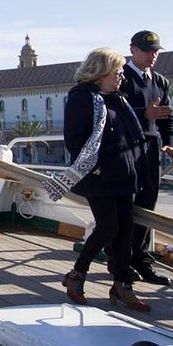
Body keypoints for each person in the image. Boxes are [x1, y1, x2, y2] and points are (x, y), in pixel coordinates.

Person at [44, 47, 150, 311]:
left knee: (125, 232)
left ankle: (122, 287)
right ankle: (76, 275)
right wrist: (98, 167)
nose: (121, 78)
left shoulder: (118, 100)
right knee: (107, 228)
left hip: (124, 176)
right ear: (100, 73)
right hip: (99, 177)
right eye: (117, 73)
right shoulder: (82, 99)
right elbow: (75, 140)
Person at [118, 30, 173, 286]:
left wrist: (170, 144)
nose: (152, 56)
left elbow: (166, 115)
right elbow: (116, 113)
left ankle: (140, 258)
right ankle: (120, 259)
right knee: (126, 205)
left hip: (151, 148)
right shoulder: (122, 78)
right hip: (127, 147)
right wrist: (145, 114)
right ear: (133, 50)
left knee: (147, 203)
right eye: (147, 50)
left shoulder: (160, 82)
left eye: (155, 51)